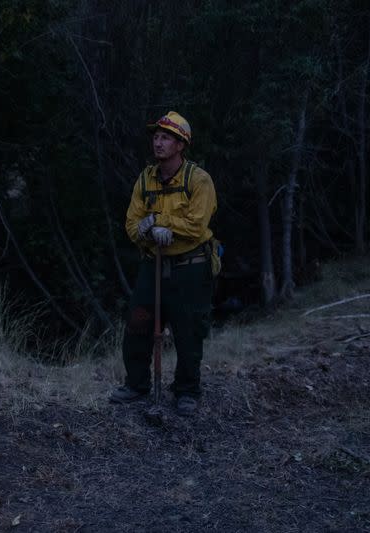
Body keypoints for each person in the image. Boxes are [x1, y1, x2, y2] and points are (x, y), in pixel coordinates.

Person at [109, 111, 218, 417]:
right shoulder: (145, 178)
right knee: (139, 322)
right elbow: (131, 223)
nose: (158, 142)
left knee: (188, 330)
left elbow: (196, 225)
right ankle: (137, 384)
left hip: (190, 267)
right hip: (152, 263)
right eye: (156, 137)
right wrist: (146, 233)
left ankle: (186, 391)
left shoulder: (198, 179)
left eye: (166, 138)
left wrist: (159, 220)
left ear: (180, 144)